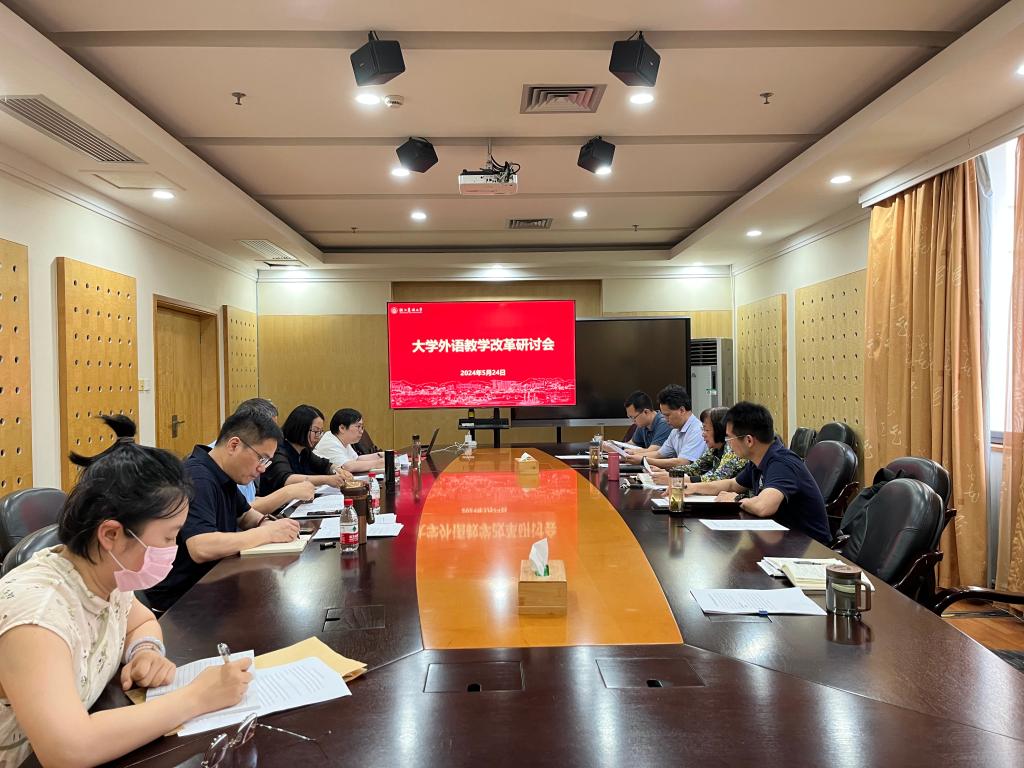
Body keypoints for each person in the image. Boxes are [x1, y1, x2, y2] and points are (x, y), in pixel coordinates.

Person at [0, 416, 253, 768]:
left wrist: (144, 651)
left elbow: (141, 622)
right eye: (169, 536)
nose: (174, 547)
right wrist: (197, 697)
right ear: (111, 534)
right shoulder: (37, 615)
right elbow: (68, 749)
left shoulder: (105, 574)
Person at [145, 410, 302, 613]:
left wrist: (265, 522)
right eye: (261, 459)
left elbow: (245, 515)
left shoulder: (222, 472)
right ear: (234, 445)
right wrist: (267, 533)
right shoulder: (197, 477)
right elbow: (201, 547)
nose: (262, 469)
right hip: (181, 602)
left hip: (211, 584)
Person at [685, 401, 831, 544]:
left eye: (729, 437)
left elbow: (764, 507)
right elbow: (732, 484)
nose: (727, 442)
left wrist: (736, 499)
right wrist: (691, 487)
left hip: (809, 546)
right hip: (781, 538)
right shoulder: (758, 459)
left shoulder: (781, 463)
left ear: (749, 440)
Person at [214, 398, 316, 515]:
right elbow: (240, 512)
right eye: (269, 428)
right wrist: (288, 493)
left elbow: (247, 502)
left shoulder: (246, 457)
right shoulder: (220, 463)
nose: (262, 468)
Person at [260, 405, 354, 495]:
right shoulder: (278, 449)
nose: (318, 436)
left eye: (320, 432)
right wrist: (327, 480)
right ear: (300, 428)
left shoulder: (304, 451)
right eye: (315, 431)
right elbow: (287, 479)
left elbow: (324, 465)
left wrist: (337, 470)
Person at [649, 406, 747, 485]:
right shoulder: (714, 449)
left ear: (720, 430)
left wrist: (675, 478)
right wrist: (669, 472)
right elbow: (695, 468)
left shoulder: (732, 449)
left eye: (706, 430)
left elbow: (716, 478)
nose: (703, 434)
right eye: (703, 429)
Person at [627, 385, 704, 468]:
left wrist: (644, 460)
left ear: (682, 410)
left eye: (667, 415)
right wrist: (631, 455)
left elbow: (682, 462)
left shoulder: (697, 430)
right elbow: (659, 454)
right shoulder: (675, 431)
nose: (665, 419)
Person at [315, 408, 386, 473]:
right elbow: (347, 466)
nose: (361, 431)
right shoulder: (329, 442)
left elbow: (356, 459)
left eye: (362, 427)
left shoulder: (342, 439)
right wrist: (377, 463)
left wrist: (382, 455)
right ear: (342, 428)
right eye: (358, 426)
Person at [603, 391, 671, 453]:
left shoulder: (664, 423)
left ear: (646, 412)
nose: (633, 421)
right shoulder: (643, 424)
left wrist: (628, 452)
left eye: (633, 417)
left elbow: (653, 452)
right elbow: (632, 444)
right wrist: (614, 446)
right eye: (630, 417)